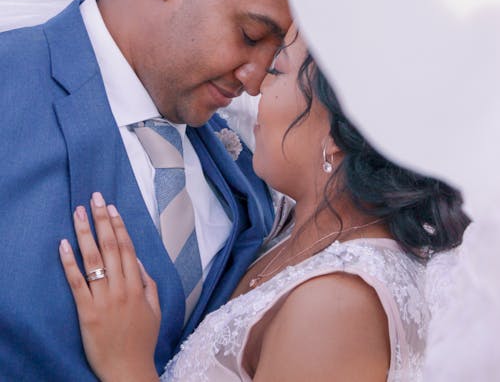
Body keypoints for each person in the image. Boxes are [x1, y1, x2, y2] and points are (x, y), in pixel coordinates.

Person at [0, 0, 293, 381]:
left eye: (277, 51)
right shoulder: (11, 85)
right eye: (250, 34)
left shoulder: (245, 175)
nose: (258, 78)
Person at [60, 27, 470, 381]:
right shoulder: (305, 231)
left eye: (277, 69)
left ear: (341, 133)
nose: (256, 86)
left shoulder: (336, 308)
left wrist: (127, 366)